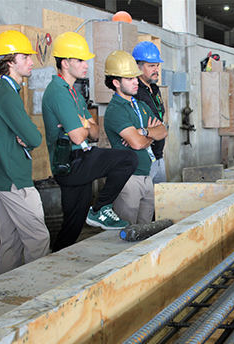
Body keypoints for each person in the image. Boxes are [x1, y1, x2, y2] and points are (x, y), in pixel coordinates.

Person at [42, 33, 138, 252]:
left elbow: (94, 133)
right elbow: (78, 137)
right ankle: (101, 208)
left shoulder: (73, 91)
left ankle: (57, 263)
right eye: (80, 61)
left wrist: (83, 125)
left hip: (80, 160)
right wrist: (84, 126)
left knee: (73, 225)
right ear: (65, 64)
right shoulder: (58, 92)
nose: (86, 65)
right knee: (128, 158)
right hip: (71, 163)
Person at [0, 31, 50, 274]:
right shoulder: (7, 95)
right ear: (10, 61)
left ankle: (6, 297)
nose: (32, 61)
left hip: (4, 177)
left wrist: (24, 136)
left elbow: (27, 136)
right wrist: (27, 138)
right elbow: (34, 137)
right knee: (38, 239)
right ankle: (37, 297)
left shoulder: (6, 91)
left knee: (11, 243)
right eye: (25, 57)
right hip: (14, 179)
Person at [103, 50, 168, 224]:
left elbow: (163, 130)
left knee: (144, 232)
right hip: (128, 179)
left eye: (135, 77)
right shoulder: (115, 110)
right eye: (130, 79)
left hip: (146, 175)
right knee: (125, 233)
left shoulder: (139, 104)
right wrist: (148, 135)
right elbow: (138, 144)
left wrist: (144, 132)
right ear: (116, 82)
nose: (135, 82)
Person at [132, 41, 167, 184]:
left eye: (157, 65)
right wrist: (150, 131)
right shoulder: (135, 92)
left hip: (159, 156)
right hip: (145, 157)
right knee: (146, 202)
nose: (156, 69)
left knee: (161, 200)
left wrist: (157, 129)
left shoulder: (155, 89)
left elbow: (160, 122)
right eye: (151, 66)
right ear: (138, 67)